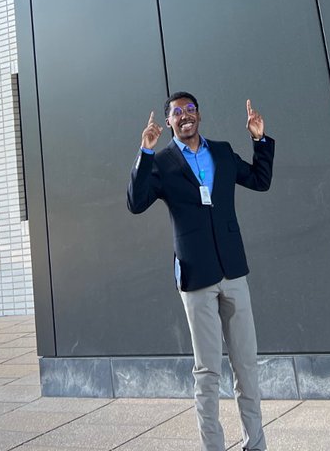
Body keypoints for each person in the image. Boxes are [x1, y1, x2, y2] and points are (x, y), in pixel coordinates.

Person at [127, 91, 274, 451]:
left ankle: (256, 445)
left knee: (247, 367)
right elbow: (135, 202)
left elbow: (260, 179)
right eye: (177, 112)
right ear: (169, 122)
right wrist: (145, 151)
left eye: (190, 109)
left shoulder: (221, 152)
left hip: (233, 270)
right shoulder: (161, 162)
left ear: (199, 115)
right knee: (208, 372)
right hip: (196, 276)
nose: (185, 115)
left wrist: (259, 139)